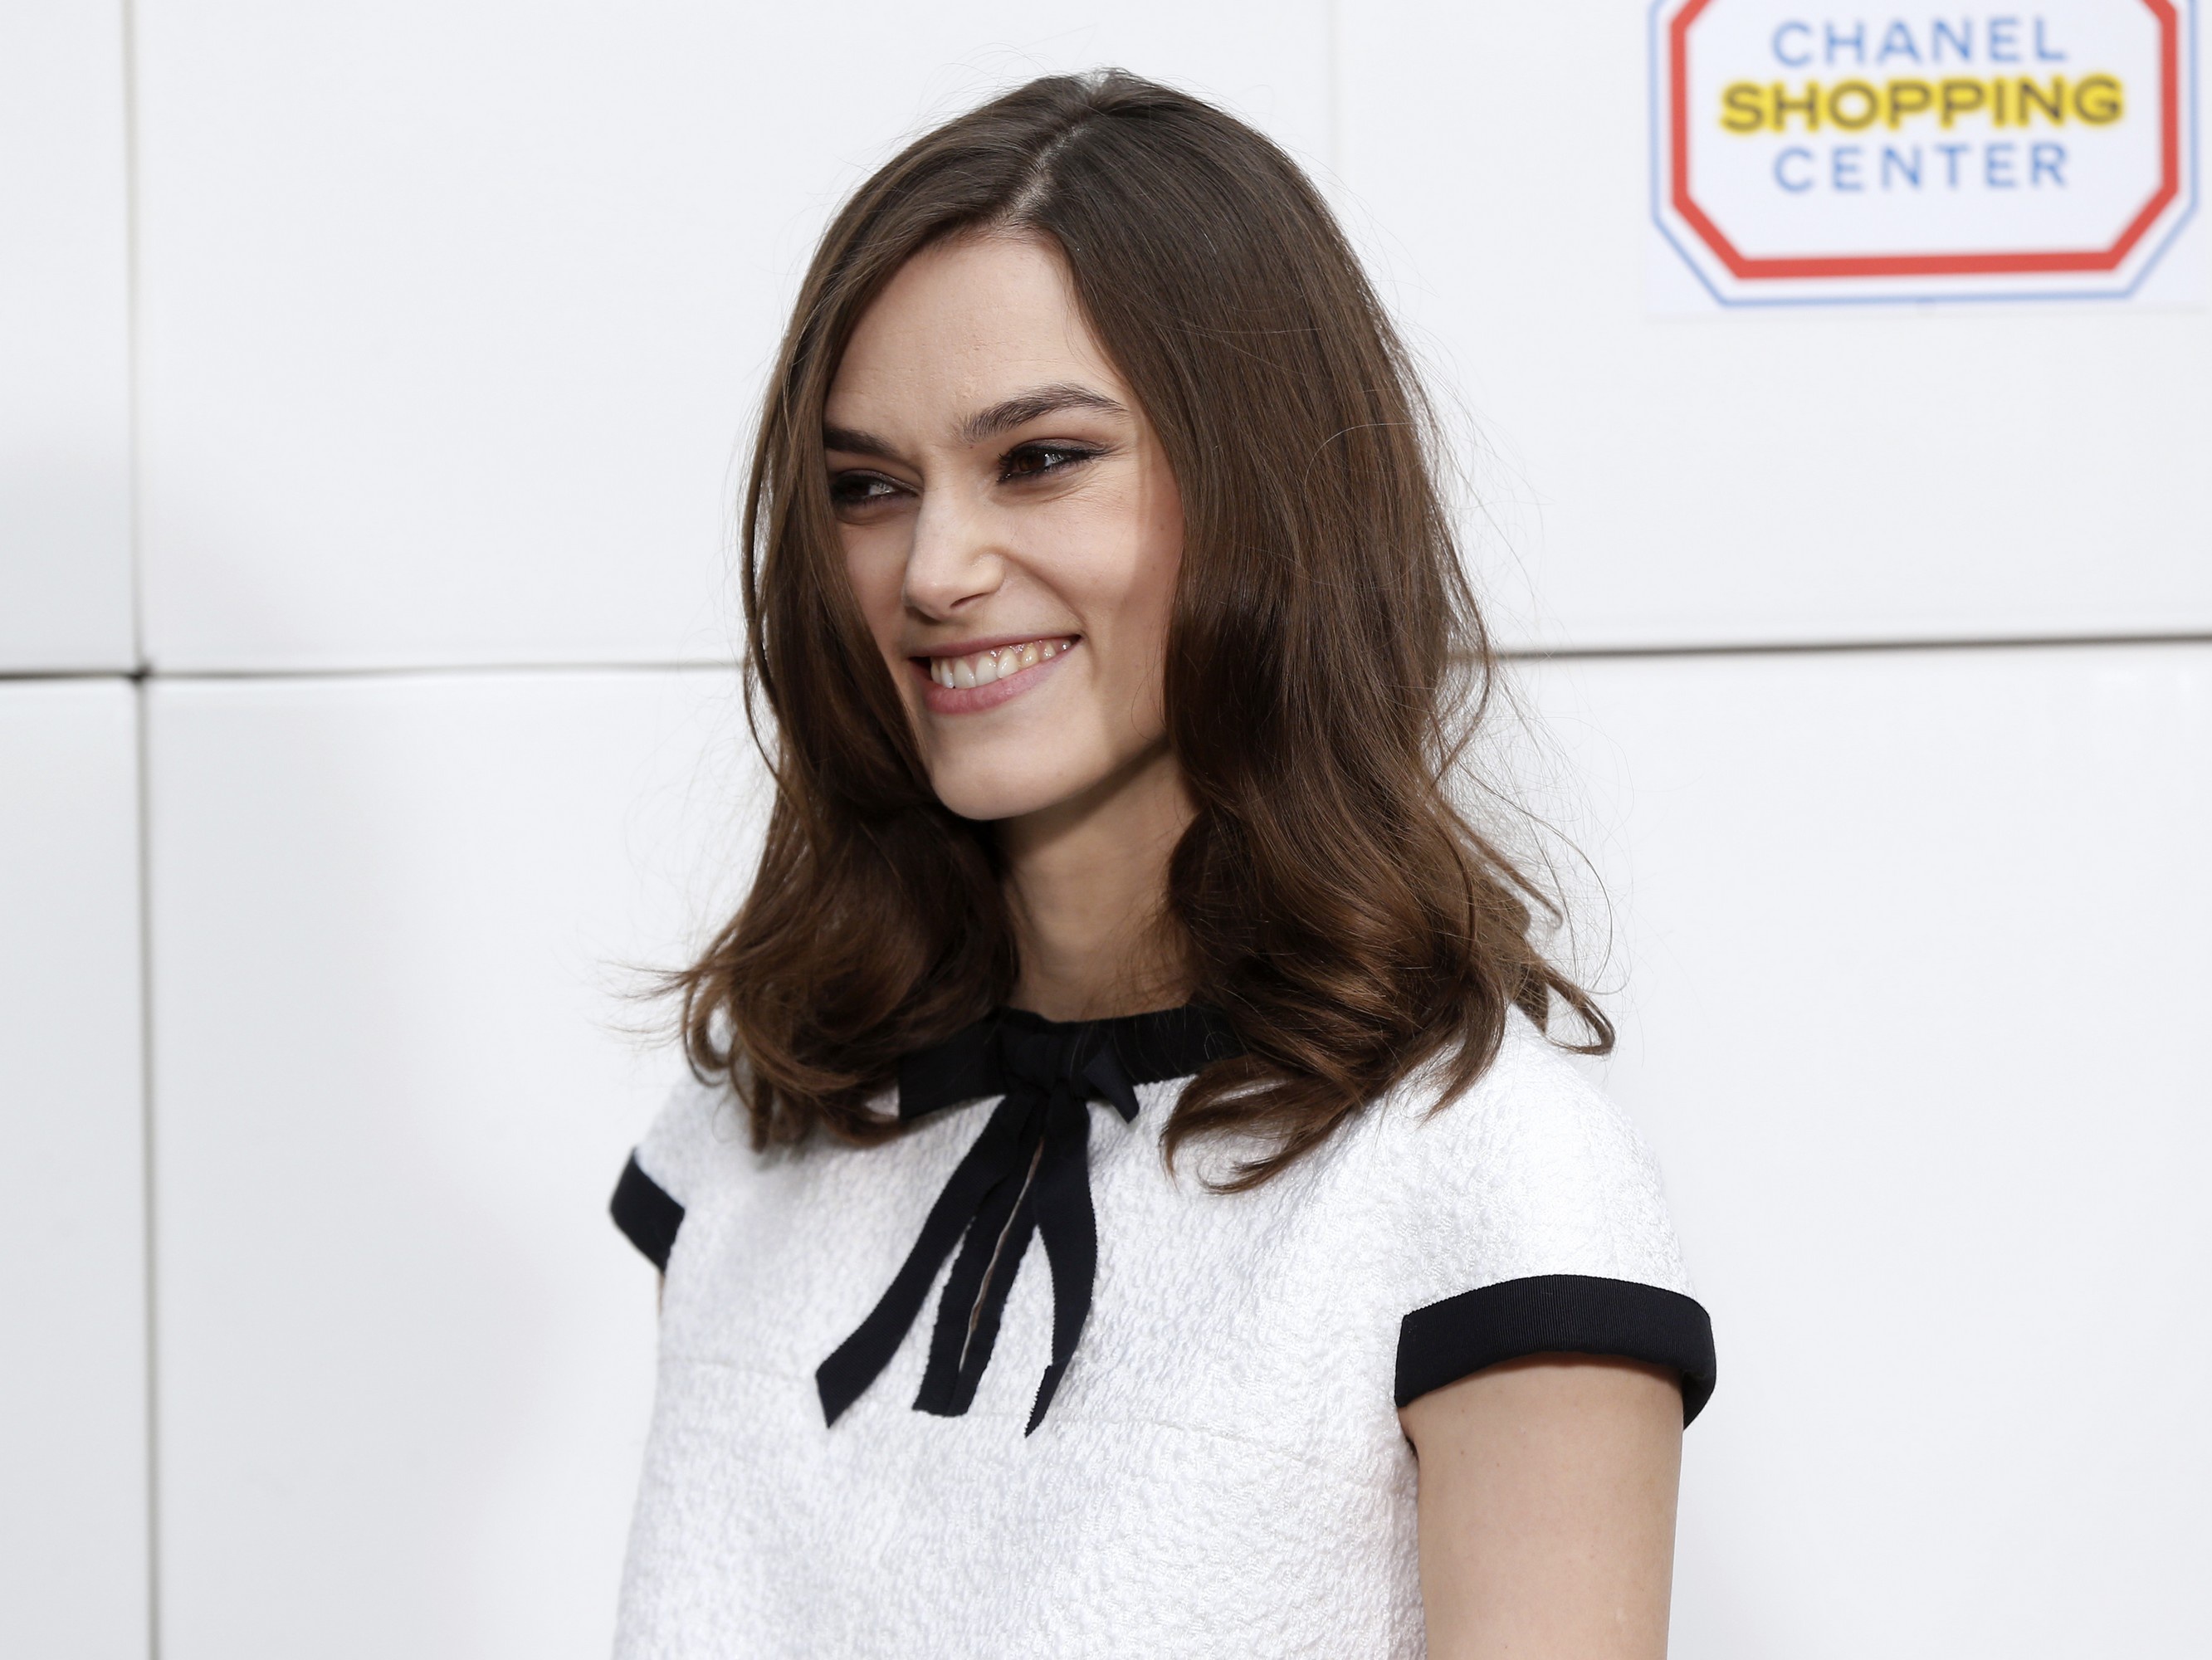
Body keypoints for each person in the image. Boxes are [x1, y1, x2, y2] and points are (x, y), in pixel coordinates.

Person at [607, 69, 1715, 1659]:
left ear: (1264, 491)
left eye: (1041, 459)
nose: (935, 569)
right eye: (869, 488)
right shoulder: (752, 1131)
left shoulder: (1489, 1178)